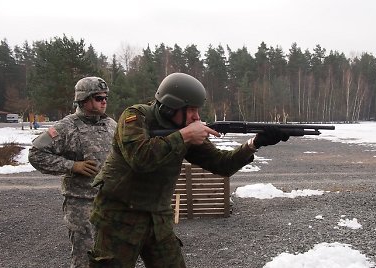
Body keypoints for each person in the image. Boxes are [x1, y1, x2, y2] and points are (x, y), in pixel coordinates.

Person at [88, 72, 290, 268]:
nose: (197, 116)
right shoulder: (135, 116)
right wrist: (184, 136)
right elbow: (140, 159)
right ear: (170, 107)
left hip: (158, 218)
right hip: (118, 217)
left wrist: (254, 144)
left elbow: (221, 164)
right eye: (192, 110)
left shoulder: (186, 130)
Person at [28, 76, 117, 268]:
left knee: (112, 256)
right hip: (82, 204)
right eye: (99, 98)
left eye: (105, 98)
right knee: (85, 258)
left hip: (110, 202)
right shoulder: (66, 127)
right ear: (84, 100)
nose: (104, 102)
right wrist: (72, 166)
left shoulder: (111, 125)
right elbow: (36, 154)